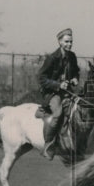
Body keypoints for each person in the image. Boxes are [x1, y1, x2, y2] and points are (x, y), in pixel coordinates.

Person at [38, 27, 80, 159]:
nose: (69, 44)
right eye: (66, 41)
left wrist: (75, 79)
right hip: (52, 94)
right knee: (58, 113)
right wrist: (57, 85)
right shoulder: (52, 58)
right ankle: (48, 146)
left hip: (68, 93)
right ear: (60, 42)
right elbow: (41, 78)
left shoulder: (72, 56)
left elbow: (76, 72)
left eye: (71, 41)